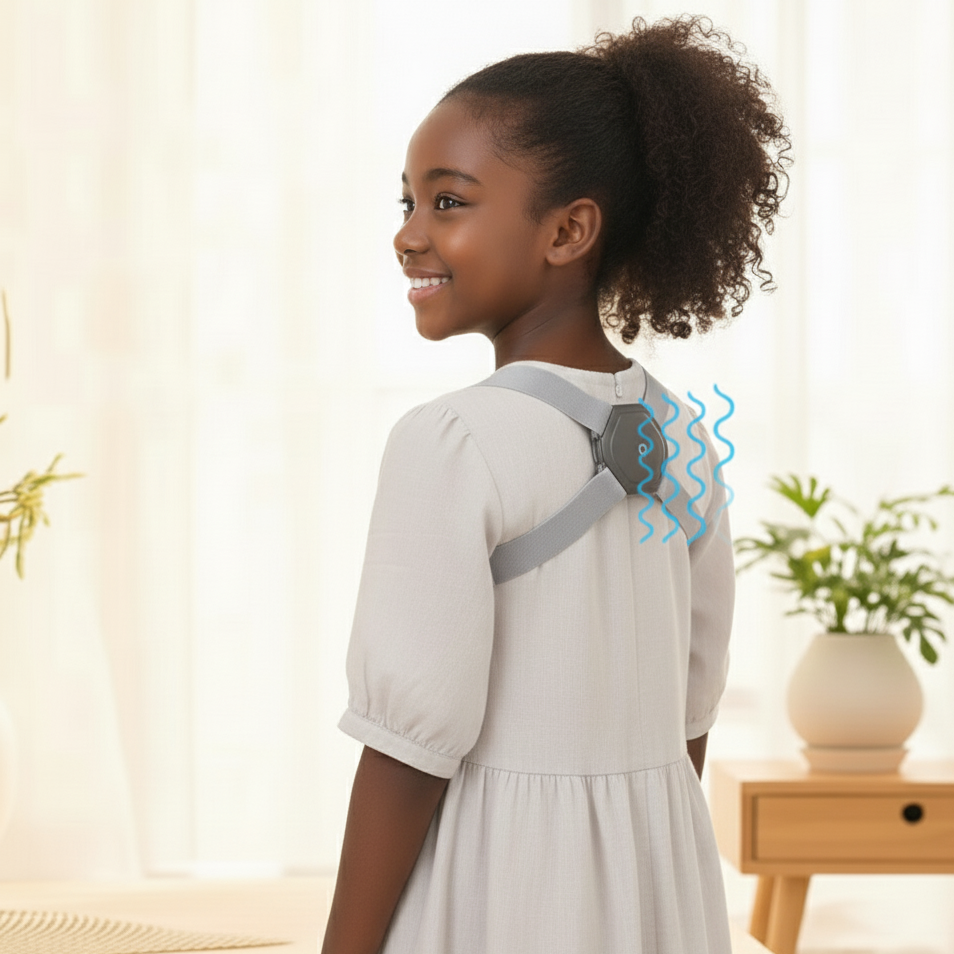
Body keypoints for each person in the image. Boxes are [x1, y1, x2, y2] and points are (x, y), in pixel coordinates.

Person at [321, 14, 791, 954]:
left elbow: (408, 750)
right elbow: (687, 715)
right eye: (407, 202)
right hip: (658, 884)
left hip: (502, 886)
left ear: (569, 229)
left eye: (448, 203)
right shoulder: (687, 439)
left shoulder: (452, 442)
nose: (409, 235)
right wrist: (638, 867)